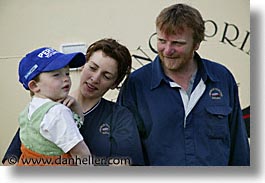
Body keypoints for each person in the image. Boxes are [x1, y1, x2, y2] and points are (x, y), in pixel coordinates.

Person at [117, 3, 250, 166]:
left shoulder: (222, 78)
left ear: (196, 44)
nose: (167, 50)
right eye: (161, 41)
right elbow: (124, 151)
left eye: (177, 43)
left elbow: (239, 148)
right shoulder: (136, 84)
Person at [2, 39, 144, 166]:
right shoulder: (46, 110)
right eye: (92, 68)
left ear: (114, 84)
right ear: (83, 66)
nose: (95, 78)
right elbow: (11, 161)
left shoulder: (120, 117)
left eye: (106, 76)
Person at [16, 47, 92, 166]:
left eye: (67, 73)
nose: (66, 78)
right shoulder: (58, 112)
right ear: (34, 85)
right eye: (56, 75)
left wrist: (75, 107)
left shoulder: (28, 111)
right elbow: (80, 152)